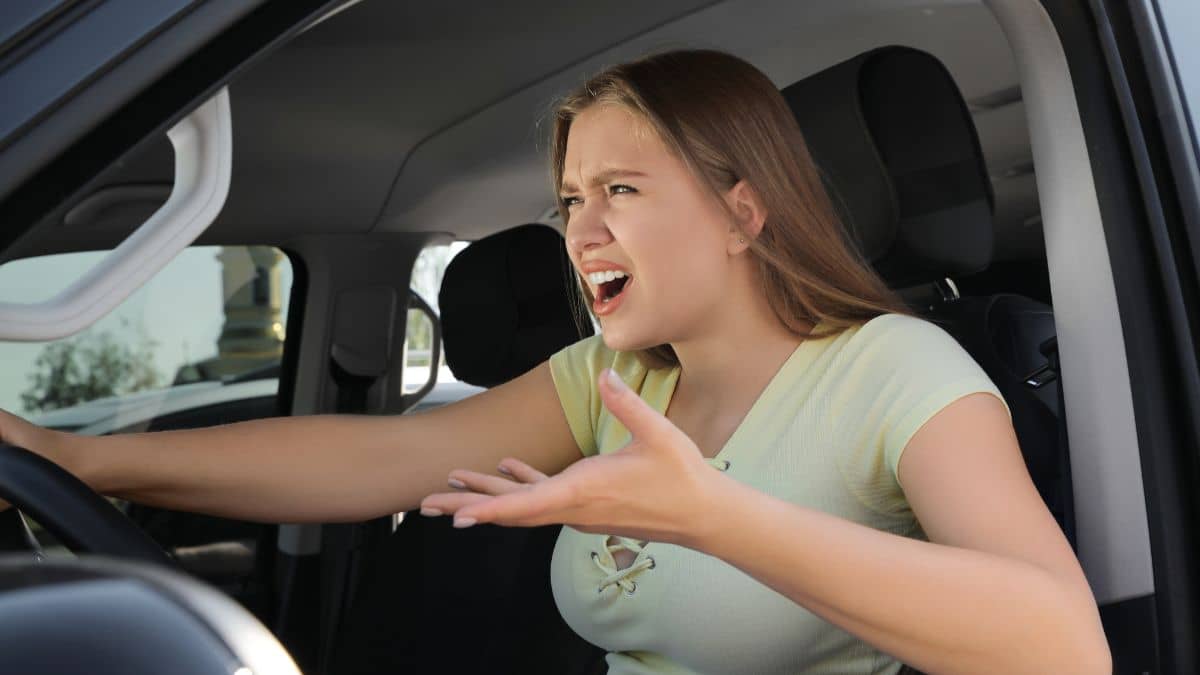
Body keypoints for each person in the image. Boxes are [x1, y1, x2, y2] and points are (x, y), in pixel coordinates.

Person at [0, 49, 1108, 674]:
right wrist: (77, 460)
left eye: (621, 192)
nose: (580, 233)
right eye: (572, 200)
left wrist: (715, 516)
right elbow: (371, 459)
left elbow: (1063, 647)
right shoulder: (610, 384)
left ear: (742, 212)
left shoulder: (898, 371)